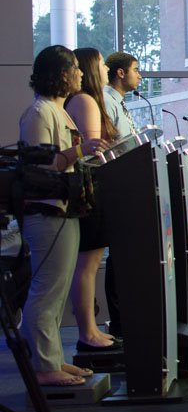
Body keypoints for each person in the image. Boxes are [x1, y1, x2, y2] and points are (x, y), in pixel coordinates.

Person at [20, 45, 108, 386]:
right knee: (46, 291)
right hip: (47, 213)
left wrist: (82, 154)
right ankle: (44, 367)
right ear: (61, 74)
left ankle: (52, 359)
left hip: (65, 211)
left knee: (55, 294)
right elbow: (40, 167)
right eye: (76, 68)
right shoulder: (39, 113)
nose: (82, 74)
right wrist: (79, 150)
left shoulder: (60, 111)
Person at [64, 47, 121, 353]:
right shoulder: (85, 101)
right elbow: (93, 152)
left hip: (92, 189)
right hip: (91, 190)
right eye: (100, 63)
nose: (101, 69)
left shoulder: (84, 100)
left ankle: (90, 329)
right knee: (88, 265)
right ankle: (88, 331)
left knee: (88, 263)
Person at [102, 51, 142, 338]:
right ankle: (118, 322)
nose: (139, 75)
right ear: (119, 73)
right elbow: (111, 147)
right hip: (116, 186)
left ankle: (129, 318)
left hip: (130, 184)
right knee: (118, 259)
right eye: (136, 70)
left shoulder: (122, 104)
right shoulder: (106, 101)